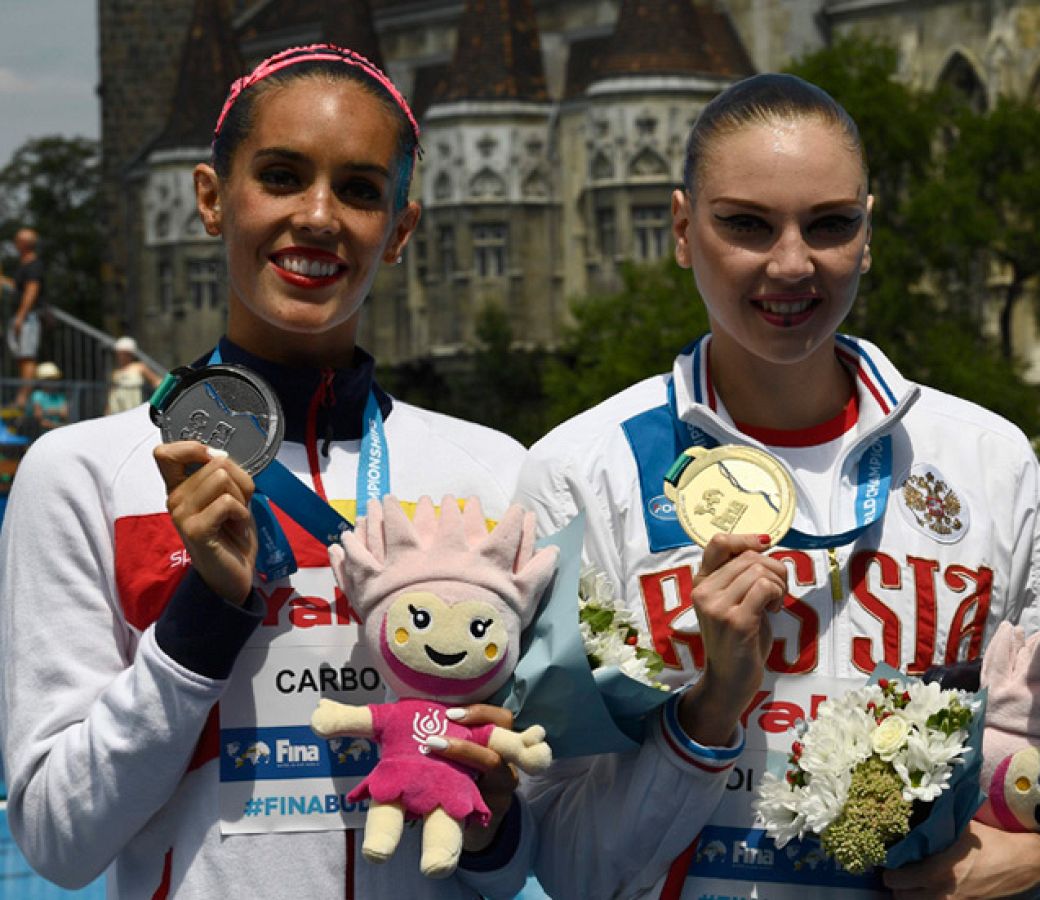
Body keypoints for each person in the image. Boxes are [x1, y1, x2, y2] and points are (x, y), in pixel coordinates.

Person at [0, 44, 709, 900]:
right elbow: (55, 838)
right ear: (212, 198)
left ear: (401, 230)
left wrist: (491, 818)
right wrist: (201, 625)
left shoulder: (491, 472)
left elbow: (535, 856)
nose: (320, 216)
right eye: (282, 175)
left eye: (362, 190)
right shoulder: (82, 474)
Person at [514, 73, 1040, 899]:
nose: (791, 263)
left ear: (869, 234)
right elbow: (558, 865)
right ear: (680, 228)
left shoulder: (987, 458)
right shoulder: (581, 471)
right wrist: (708, 713)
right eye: (746, 224)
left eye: (830, 225)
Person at [8, 227, 44, 409]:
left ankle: (22, 399)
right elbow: (18, 288)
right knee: (22, 357)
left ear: (24, 244)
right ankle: (20, 396)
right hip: (22, 316)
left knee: (27, 356)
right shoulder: (24, 265)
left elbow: (31, 291)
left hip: (27, 317)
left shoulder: (34, 265)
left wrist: (21, 317)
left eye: (17, 240)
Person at [104, 335, 162, 415]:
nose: (120, 356)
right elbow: (112, 393)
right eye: (119, 353)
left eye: (123, 353)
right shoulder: (116, 372)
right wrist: (107, 410)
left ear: (129, 354)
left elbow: (156, 382)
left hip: (134, 409)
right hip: (117, 411)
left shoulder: (139, 367)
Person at [23, 360, 69, 436]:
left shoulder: (60, 396)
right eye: (49, 379)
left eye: (54, 379)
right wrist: (57, 412)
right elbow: (38, 417)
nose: (52, 382)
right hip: (38, 433)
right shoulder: (37, 395)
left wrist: (46, 412)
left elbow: (65, 414)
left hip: (55, 430)